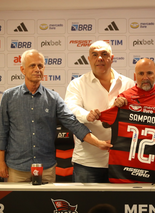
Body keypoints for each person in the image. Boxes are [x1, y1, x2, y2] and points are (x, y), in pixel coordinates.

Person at [0, 49, 112, 183]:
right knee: (16, 204)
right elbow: (2, 132)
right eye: (32, 66)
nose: (37, 69)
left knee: (46, 204)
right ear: (23, 70)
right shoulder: (9, 97)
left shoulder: (53, 98)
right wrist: (0, 162)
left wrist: (99, 143)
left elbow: (73, 124)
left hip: (46, 169)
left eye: (40, 66)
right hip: (16, 168)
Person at [64, 40, 134, 183]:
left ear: (112, 58)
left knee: (120, 205)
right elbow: (70, 109)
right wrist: (87, 115)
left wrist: (126, 107)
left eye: (104, 54)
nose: (99, 58)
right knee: (85, 205)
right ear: (89, 59)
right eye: (94, 55)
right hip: (88, 161)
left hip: (121, 160)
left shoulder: (128, 84)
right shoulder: (77, 84)